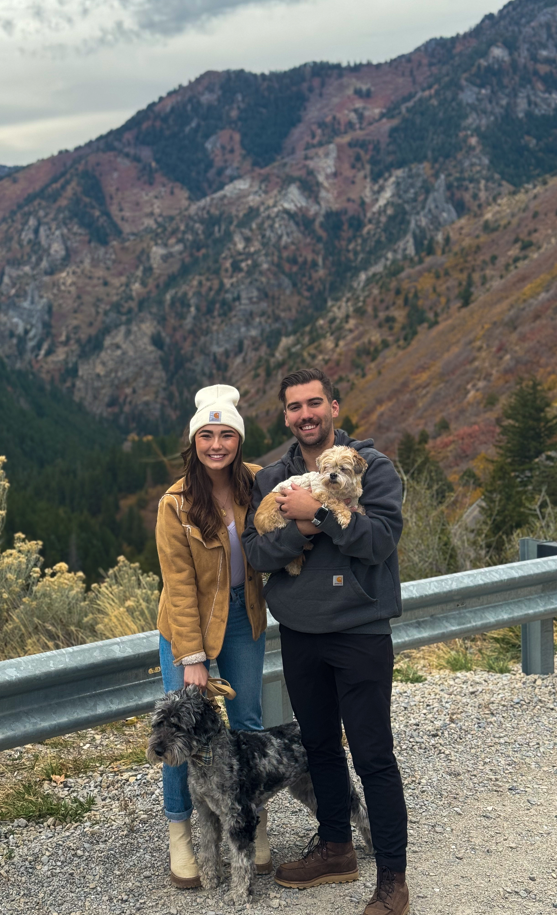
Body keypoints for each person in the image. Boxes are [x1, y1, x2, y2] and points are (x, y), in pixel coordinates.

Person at [241, 368, 409, 915]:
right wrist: (301, 530)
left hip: (359, 632)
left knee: (372, 754)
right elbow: (258, 554)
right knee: (318, 747)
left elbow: (380, 541)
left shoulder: (374, 468)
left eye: (315, 403)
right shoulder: (273, 478)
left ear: (334, 407)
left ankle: (392, 881)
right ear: (286, 416)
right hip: (301, 634)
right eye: (295, 407)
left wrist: (321, 516)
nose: (306, 414)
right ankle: (336, 848)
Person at [155, 384, 269, 889]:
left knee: (246, 721)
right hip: (188, 627)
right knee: (182, 735)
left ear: (238, 441)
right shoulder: (176, 502)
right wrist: (192, 657)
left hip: (244, 617)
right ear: (194, 441)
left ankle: (251, 820)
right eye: (207, 435)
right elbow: (178, 585)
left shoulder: (261, 483)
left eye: (226, 435)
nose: (217, 444)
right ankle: (182, 833)